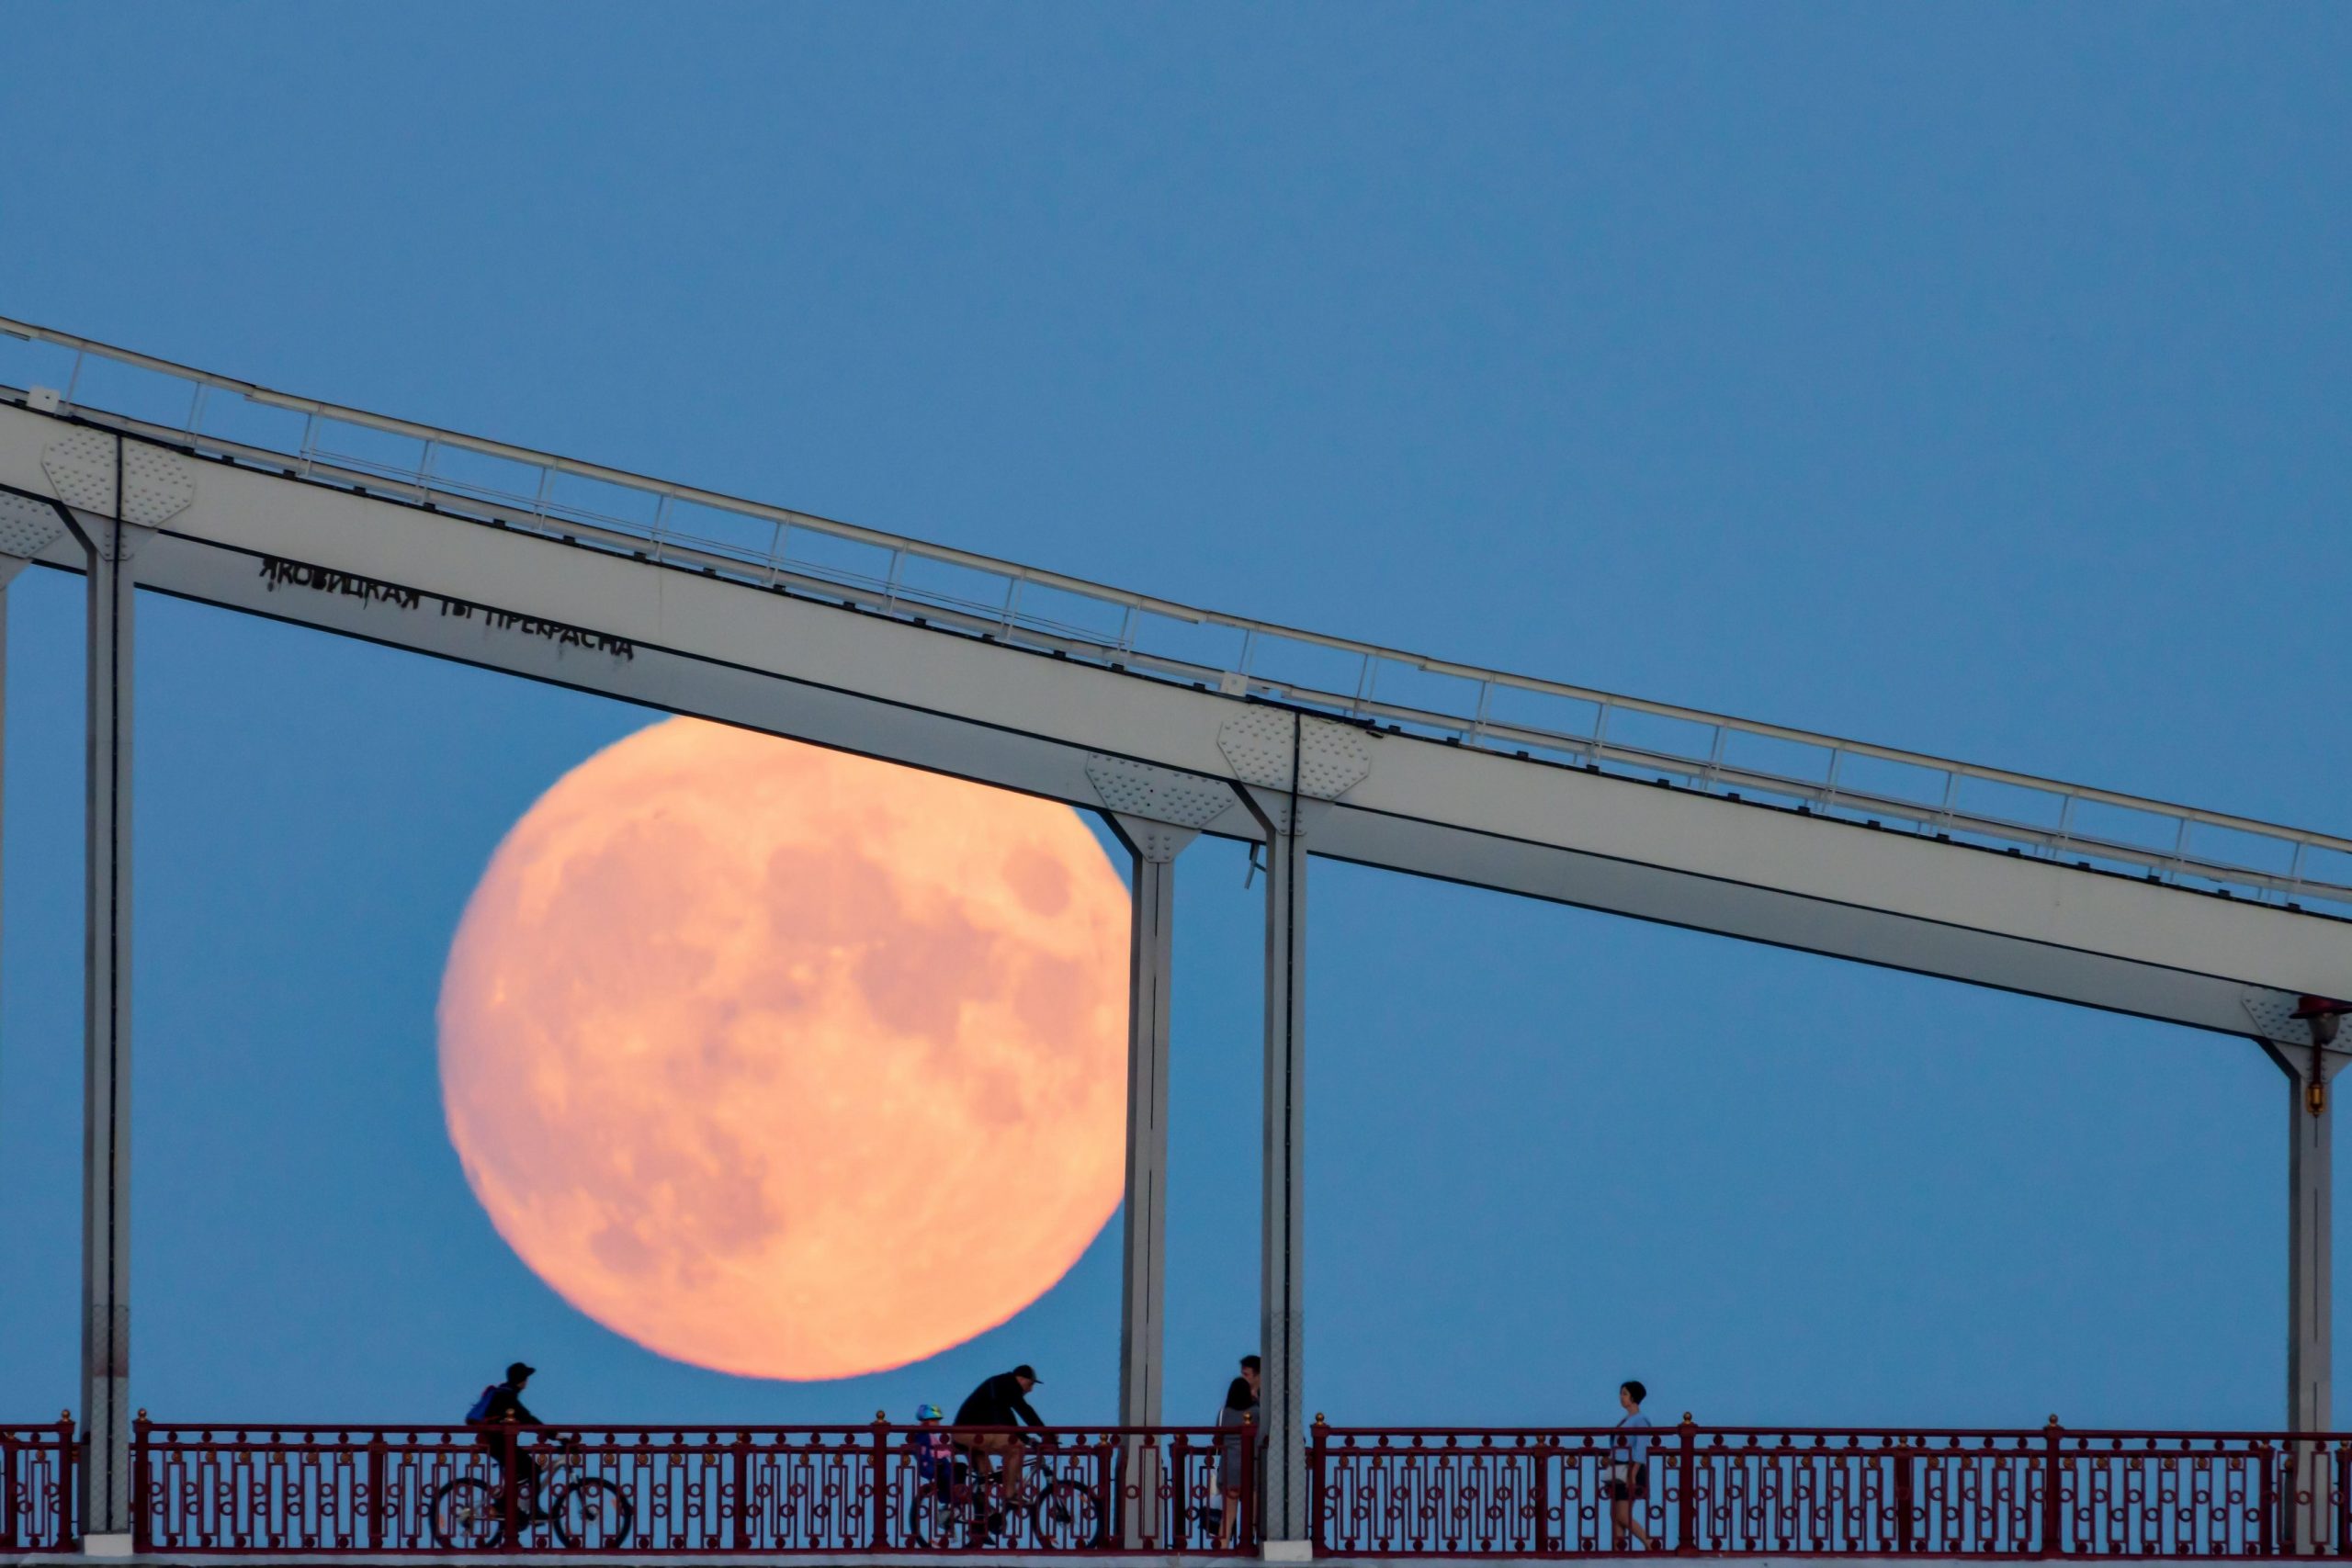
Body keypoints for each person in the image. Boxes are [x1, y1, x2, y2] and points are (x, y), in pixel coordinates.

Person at [466, 1362, 550, 1521]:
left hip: (496, 1443)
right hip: (499, 1444)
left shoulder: (504, 1393)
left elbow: (525, 1418)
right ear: (522, 1380)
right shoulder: (507, 1396)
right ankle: (531, 1511)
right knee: (533, 1469)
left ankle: (507, 1507)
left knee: (521, 1472)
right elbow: (527, 1418)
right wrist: (556, 1435)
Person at [952, 1365, 1045, 1508]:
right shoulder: (1008, 1386)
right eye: (1030, 1383)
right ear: (1021, 1379)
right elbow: (1023, 1410)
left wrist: (1028, 1439)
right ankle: (1010, 1495)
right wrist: (1045, 1433)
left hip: (963, 1434)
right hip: (970, 1433)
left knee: (986, 1476)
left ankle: (980, 1517)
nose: (1030, 1389)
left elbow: (1008, 1420)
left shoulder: (1001, 1384)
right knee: (1016, 1449)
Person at [1216, 1355, 1261, 1548]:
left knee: (1228, 1516)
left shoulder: (1224, 1413)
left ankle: (1221, 1547)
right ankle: (1247, 1546)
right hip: (1250, 1469)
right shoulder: (1256, 1412)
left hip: (1228, 1469)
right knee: (1252, 1515)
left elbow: (1217, 1439)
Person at [1607, 1380, 1656, 1551]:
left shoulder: (1640, 1419)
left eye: (1625, 1394)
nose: (1621, 1397)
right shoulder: (1626, 1419)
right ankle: (1618, 1549)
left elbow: (1641, 1448)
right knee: (1615, 1514)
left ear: (1634, 1397)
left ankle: (1649, 1542)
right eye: (1621, 1393)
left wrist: (1633, 1474)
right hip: (1618, 1467)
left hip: (1629, 1468)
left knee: (1622, 1514)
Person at [907, 1404, 961, 1540]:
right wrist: (949, 1451)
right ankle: (953, 1504)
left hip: (935, 1466)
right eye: (935, 1421)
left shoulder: (926, 1435)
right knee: (956, 1476)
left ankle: (952, 1504)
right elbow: (932, 1452)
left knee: (954, 1476)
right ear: (927, 1421)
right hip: (935, 1466)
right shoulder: (925, 1436)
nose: (938, 1424)